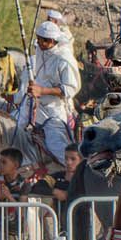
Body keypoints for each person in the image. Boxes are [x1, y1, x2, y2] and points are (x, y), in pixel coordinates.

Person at [16, 21, 82, 162]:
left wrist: (42, 90)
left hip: (54, 109)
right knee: (14, 132)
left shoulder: (63, 59)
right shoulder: (40, 51)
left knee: (56, 145)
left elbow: (70, 88)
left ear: (52, 41)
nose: (39, 43)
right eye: (38, 39)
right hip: (33, 104)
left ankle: (71, 169)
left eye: (42, 40)